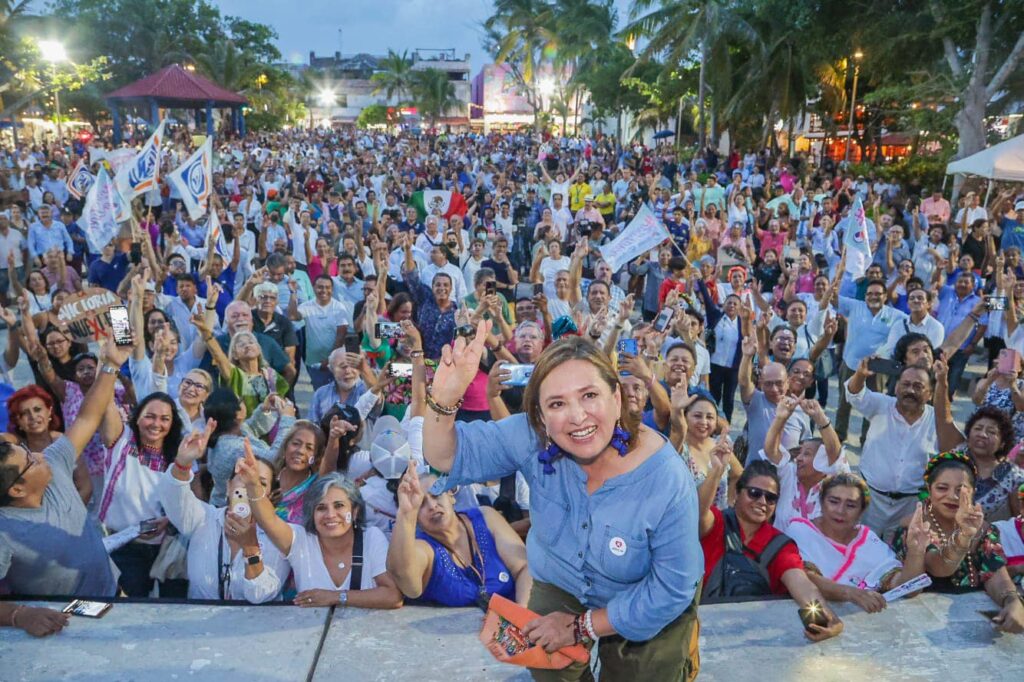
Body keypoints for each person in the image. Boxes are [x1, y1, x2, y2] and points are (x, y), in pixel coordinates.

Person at [422, 324, 702, 680]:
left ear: (616, 398)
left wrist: (579, 627)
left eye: (589, 396)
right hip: (562, 579)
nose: (577, 416)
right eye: (557, 403)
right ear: (539, 416)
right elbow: (444, 456)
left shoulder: (666, 478)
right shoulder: (529, 435)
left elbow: (672, 588)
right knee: (548, 670)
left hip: (644, 594)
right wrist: (444, 400)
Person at [0, 337, 131, 597]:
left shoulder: (54, 463)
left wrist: (111, 365)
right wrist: (19, 615)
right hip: (65, 627)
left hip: (115, 596)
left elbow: (87, 416)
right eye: (29, 461)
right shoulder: (4, 532)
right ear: (16, 490)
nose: (39, 456)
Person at [236, 444, 404, 610]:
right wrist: (253, 485)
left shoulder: (372, 538)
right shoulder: (301, 540)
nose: (330, 514)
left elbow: (392, 596)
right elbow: (269, 520)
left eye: (339, 506)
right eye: (321, 508)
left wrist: (334, 597)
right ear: (312, 513)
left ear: (354, 511)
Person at [698, 459, 844, 641]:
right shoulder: (716, 523)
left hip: (748, 636)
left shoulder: (779, 544)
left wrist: (826, 619)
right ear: (737, 493)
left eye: (771, 498)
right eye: (754, 493)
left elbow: (801, 584)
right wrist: (716, 471)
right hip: (701, 630)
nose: (762, 502)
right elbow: (698, 513)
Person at [890, 452, 1024, 633]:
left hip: (969, 628)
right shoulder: (915, 528)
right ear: (929, 489)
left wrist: (1012, 601)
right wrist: (964, 536)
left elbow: (996, 576)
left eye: (960, 489)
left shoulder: (985, 530)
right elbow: (940, 567)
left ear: (973, 491)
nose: (952, 496)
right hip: (915, 627)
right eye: (942, 488)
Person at [157, 419, 289, 601]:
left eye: (260, 483)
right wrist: (182, 463)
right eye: (244, 476)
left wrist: (250, 547)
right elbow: (172, 496)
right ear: (228, 486)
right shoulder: (203, 518)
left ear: (270, 495)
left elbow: (261, 594)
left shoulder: (279, 534)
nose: (250, 485)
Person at [387, 462, 532, 608]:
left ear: (451, 496)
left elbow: (524, 568)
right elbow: (406, 581)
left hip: (515, 625)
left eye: (436, 495)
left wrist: (519, 617)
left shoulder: (486, 517)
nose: (432, 506)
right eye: (421, 504)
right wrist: (406, 514)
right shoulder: (425, 549)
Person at [786, 473, 929, 610]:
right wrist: (850, 593)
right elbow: (803, 578)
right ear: (822, 503)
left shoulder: (868, 541)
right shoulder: (800, 531)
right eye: (834, 502)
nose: (840, 511)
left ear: (862, 511)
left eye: (851, 505)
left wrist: (916, 552)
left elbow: (907, 588)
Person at [845, 359, 939, 535]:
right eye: (906, 384)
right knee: (860, 546)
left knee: (896, 557)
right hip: (871, 501)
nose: (910, 390)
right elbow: (854, 395)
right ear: (896, 387)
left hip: (909, 505)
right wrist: (860, 374)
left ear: (930, 394)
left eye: (918, 386)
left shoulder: (937, 421)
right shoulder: (881, 405)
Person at [761, 395, 847, 531]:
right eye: (799, 453)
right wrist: (780, 418)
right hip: (781, 549)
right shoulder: (790, 474)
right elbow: (770, 452)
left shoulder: (834, 484)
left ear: (823, 460)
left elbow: (834, 454)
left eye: (806, 453)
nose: (798, 458)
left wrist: (820, 418)